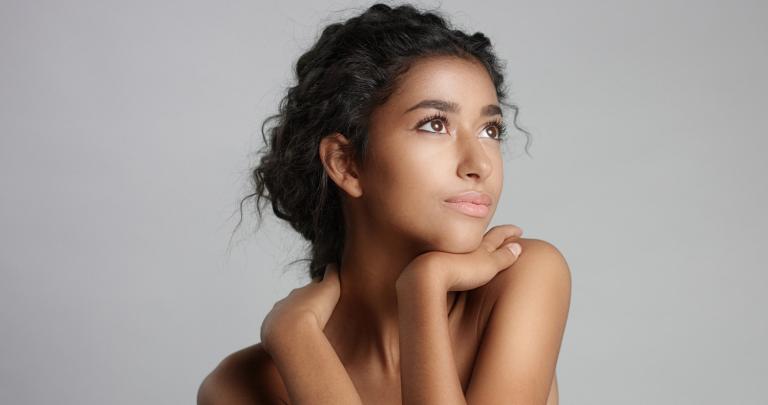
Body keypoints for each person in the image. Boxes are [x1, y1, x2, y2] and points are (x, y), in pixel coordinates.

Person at [198, 3, 571, 404]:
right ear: (347, 164)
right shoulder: (239, 388)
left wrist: (423, 286)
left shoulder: (523, 277)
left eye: (490, 129)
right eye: (435, 124)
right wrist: (298, 339)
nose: (479, 164)